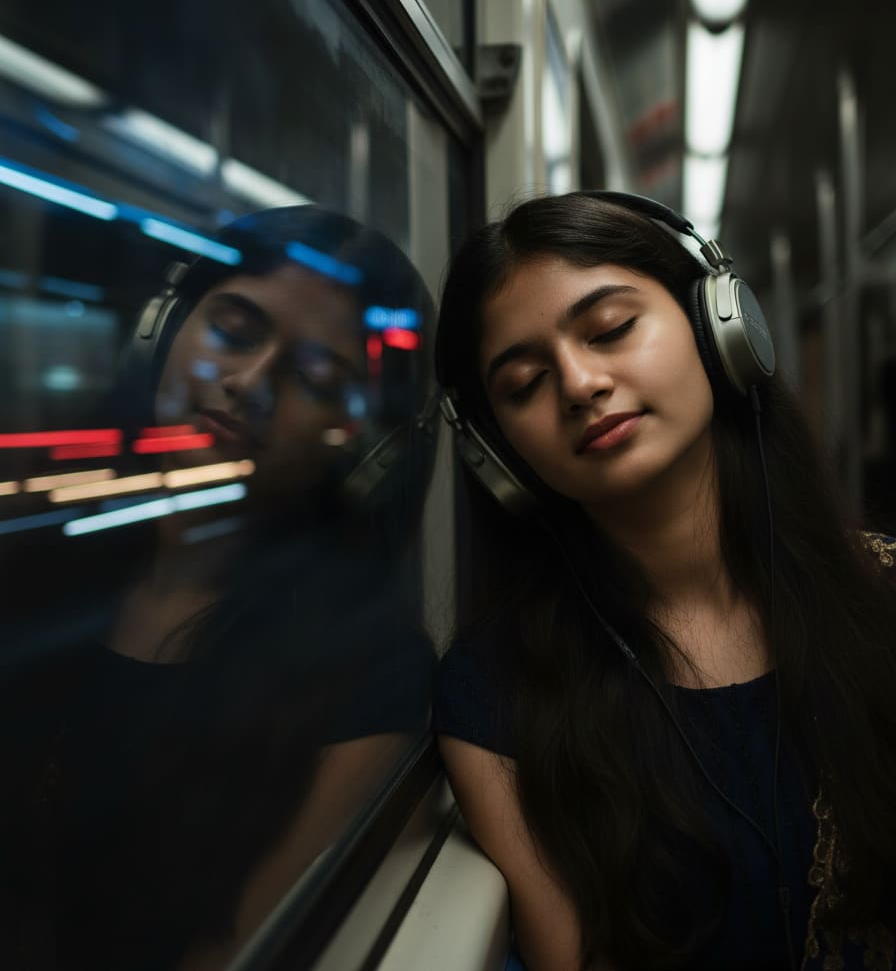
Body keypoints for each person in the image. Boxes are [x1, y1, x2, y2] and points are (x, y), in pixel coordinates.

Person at [432, 191, 896, 971]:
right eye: (522, 384)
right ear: (497, 453)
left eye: (611, 330)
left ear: (720, 328)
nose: (579, 383)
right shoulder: (497, 693)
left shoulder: (882, 593)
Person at [0, 205, 437, 970]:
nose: (247, 383)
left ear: (362, 445)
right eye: (233, 333)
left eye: (313, 377)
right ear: (162, 331)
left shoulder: (371, 671)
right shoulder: (37, 558)